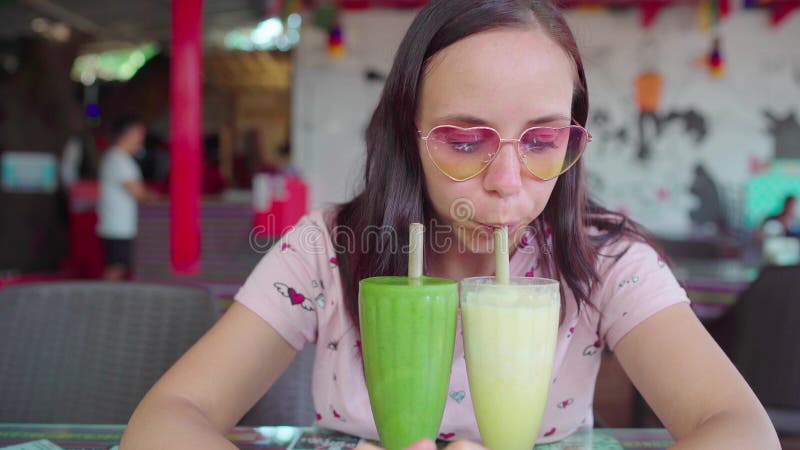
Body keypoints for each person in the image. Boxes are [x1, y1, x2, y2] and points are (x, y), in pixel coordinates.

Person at [121, 1, 779, 449]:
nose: (508, 180)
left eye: (543, 139)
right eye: (466, 142)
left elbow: (740, 429)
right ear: (407, 138)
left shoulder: (603, 259)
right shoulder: (327, 249)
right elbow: (165, 421)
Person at [96, 115, 152, 281]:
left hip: (120, 225)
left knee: (119, 267)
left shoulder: (121, 158)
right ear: (127, 133)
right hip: (117, 226)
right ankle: (104, 300)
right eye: (139, 134)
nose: (141, 139)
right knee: (116, 268)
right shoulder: (118, 159)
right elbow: (138, 193)